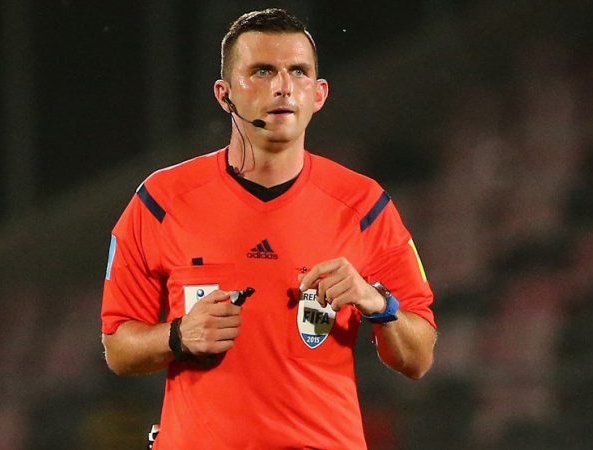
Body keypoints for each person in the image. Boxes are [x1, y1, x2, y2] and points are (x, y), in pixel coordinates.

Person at [100, 8, 437, 449]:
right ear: (224, 95)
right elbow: (118, 349)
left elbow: (419, 356)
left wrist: (375, 302)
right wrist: (178, 335)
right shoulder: (160, 201)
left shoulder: (364, 205)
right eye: (261, 71)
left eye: (298, 71)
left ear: (319, 94)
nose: (282, 86)